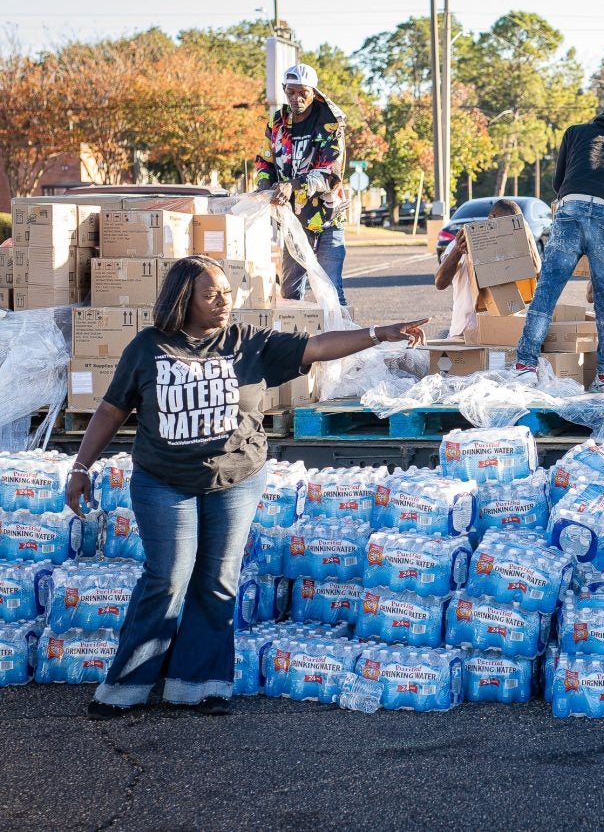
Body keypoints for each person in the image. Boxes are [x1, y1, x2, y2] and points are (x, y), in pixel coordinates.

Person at [68, 256, 428, 720]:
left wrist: (380, 333)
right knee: (168, 576)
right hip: (164, 481)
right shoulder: (148, 348)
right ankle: (126, 685)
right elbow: (112, 410)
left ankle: (197, 684)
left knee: (218, 580)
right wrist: (81, 465)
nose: (224, 301)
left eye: (226, 291)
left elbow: (317, 347)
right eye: (210, 294)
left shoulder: (248, 343)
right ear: (183, 299)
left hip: (236, 479)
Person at [513, 101, 604, 393]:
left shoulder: (575, 132)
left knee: (547, 290)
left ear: (600, 116)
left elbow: (558, 180)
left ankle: (525, 366)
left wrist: (573, 200)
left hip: (569, 209)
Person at [255, 63, 350, 307]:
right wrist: (266, 186)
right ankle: (296, 343)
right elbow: (265, 160)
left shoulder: (329, 123)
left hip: (327, 217)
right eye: (290, 92)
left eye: (302, 92)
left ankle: (340, 340)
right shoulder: (277, 122)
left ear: (313, 92)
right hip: (293, 220)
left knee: (330, 291)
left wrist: (292, 185)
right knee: (290, 292)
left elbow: (330, 175)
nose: (296, 98)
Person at [435, 199, 536, 338]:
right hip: (465, 332)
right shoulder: (462, 243)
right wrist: (457, 251)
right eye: (505, 225)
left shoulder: (515, 247)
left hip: (504, 331)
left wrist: (528, 236)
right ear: (491, 219)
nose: (508, 232)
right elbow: (440, 283)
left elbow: (538, 279)